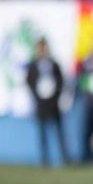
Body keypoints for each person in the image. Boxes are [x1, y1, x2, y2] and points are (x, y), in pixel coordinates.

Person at [25, 37, 72, 167]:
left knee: (59, 131)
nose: (42, 51)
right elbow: (29, 82)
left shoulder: (54, 64)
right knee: (42, 132)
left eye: (44, 48)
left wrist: (55, 95)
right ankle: (45, 159)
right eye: (40, 48)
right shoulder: (33, 65)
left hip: (53, 103)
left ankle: (65, 158)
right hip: (41, 104)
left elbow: (60, 80)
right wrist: (38, 95)